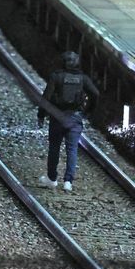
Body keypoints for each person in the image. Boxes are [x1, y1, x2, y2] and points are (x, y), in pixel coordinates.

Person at [37, 51, 99, 192]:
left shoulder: (56, 76)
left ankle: (52, 179)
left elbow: (46, 98)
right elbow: (95, 93)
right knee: (72, 149)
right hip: (75, 118)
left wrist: (41, 115)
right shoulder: (83, 78)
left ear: (63, 62)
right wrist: (88, 111)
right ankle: (68, 182)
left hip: (57, 117)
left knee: (54, 148)